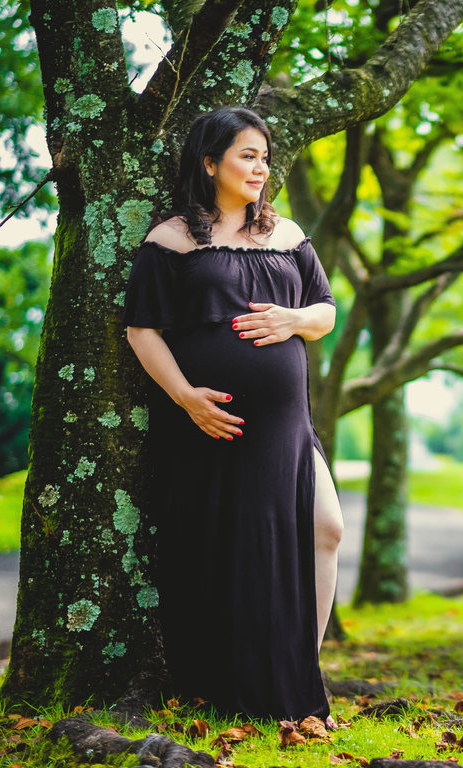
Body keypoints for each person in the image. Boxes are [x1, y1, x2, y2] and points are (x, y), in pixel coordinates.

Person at [123, 106, 344, 722]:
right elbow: (143, 330)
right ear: (210, 162)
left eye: (265, 157)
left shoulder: (288, 235)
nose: (260, 168)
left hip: (285, 425)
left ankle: (301, 672)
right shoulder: (172, 240)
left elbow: (326, 312)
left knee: (325, 528)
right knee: (234, 556)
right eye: (247, 155)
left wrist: (293, 319)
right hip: (212, 424)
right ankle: (236, 688)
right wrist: (186, 398)